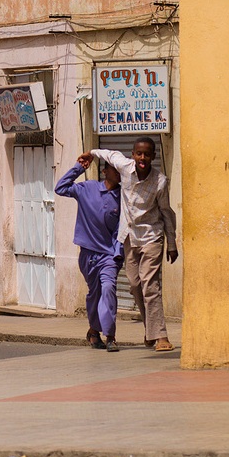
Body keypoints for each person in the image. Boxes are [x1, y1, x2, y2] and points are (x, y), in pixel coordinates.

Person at [80, 137, 178, 352]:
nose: (142, 158)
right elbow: (108, 154)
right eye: (139, 154)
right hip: (128, 237)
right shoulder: (124, 167)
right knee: (135, 285)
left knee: (149, 285)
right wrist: (90, 153)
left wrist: (172, 242)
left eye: (147, 154)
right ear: (133, 155)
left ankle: (160, 335)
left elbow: (166, 212)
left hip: (151, 236)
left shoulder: (160, 181)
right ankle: (149, 330)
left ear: (153, 156)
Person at [54, 157, 123, 352]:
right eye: (114, 168)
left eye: (120, 169)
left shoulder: (123, 197)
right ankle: (94, 331)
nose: (118, 172)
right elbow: (61, 188)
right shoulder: (87, 189)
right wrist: (79, 167)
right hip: (88, 255)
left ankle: (110, 336)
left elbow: (121, 230)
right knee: (95, 294)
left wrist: (118, 254)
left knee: (108, 288)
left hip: (109, 255)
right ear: (104, 171)